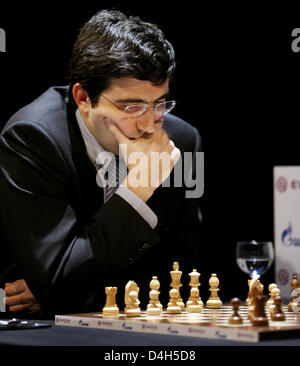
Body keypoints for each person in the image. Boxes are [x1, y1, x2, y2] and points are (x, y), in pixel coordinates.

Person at [0, 9, 203, 315]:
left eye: (159, 103)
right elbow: (57, 275)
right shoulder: (32, 137)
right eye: (131, 106)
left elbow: (186, 274)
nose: (150, 124)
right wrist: (139, 189)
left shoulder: (184, 141)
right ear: (83, 98)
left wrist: (73, 290)